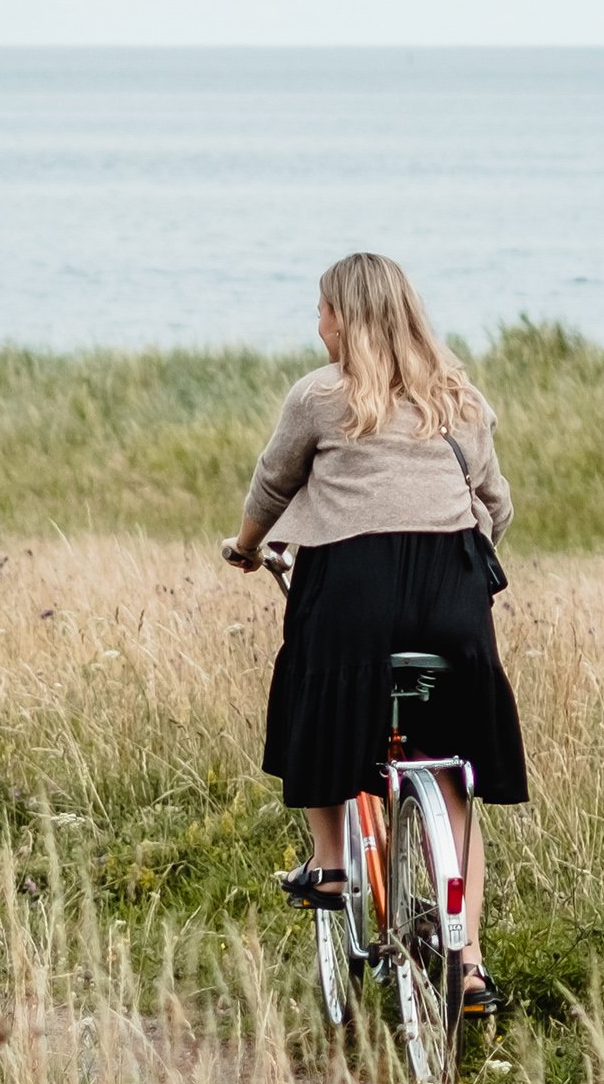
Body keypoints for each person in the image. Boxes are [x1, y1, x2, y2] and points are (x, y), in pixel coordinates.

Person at [222, 252, 524, 1016]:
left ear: (344, 319)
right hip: (451, 597)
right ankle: (471, 962)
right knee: (452, 775)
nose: (316, 323)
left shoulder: (320, 397)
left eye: (322, 310)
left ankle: (328, 863)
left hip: (355, 596)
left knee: (310, 697)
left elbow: (272, 484)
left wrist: (248, 546)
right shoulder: (459, 396)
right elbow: (497, 505)